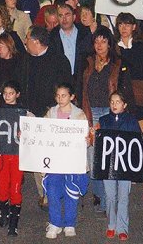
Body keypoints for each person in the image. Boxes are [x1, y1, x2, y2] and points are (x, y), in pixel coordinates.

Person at [81, 26, 133, 212]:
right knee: (93, 156)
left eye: (103, 41)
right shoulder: (86, 62)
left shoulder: (119, 64)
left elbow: (126, 90)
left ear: (110, 43)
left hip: (112, 113)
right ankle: (100, 196)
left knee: (110, 156)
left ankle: (111, 198)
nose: (99, 45)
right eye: (96, 41)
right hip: (91, 112)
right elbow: (80, 89)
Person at [43, 82, 90, 239]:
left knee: (72, 190)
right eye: (57, 95)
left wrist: (87, 139)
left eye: (64, 95)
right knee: (53, 190)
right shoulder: (51, 113)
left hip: (73, 161)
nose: (60, 98)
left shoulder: (79, 115)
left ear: (72, 97)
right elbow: (40, 131)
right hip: (55, 159)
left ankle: (70, 223)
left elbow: (88, 138)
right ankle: (55, 223)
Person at [98, 90, 140, 240]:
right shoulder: (103, 120)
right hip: (108, 164)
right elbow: (98, 142)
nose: (114, 105)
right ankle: (111, 224)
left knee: (123, 196)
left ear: (125, 105)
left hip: (125, 165)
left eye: (118, 102)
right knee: (109, 196)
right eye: (112, 102)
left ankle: (122, 227)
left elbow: (137, 143)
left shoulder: (131, 121)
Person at [0, 80, 31, 236]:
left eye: (11, 93)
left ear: (17, 94)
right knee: (2, 187)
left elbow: (34, 128)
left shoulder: (24, 112)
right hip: (2, 154)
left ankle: (14, 223)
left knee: (15, 187)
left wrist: (25, 132)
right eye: (5, 93)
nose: (8, 96)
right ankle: (3, 208)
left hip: (17, 154)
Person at [48, 2, 93, 103]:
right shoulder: (52, 36)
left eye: (67, 15)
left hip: (83, 82)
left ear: (74, 17)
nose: (64, 19)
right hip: (60, 84)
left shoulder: (85, 33)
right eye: (60, 15)